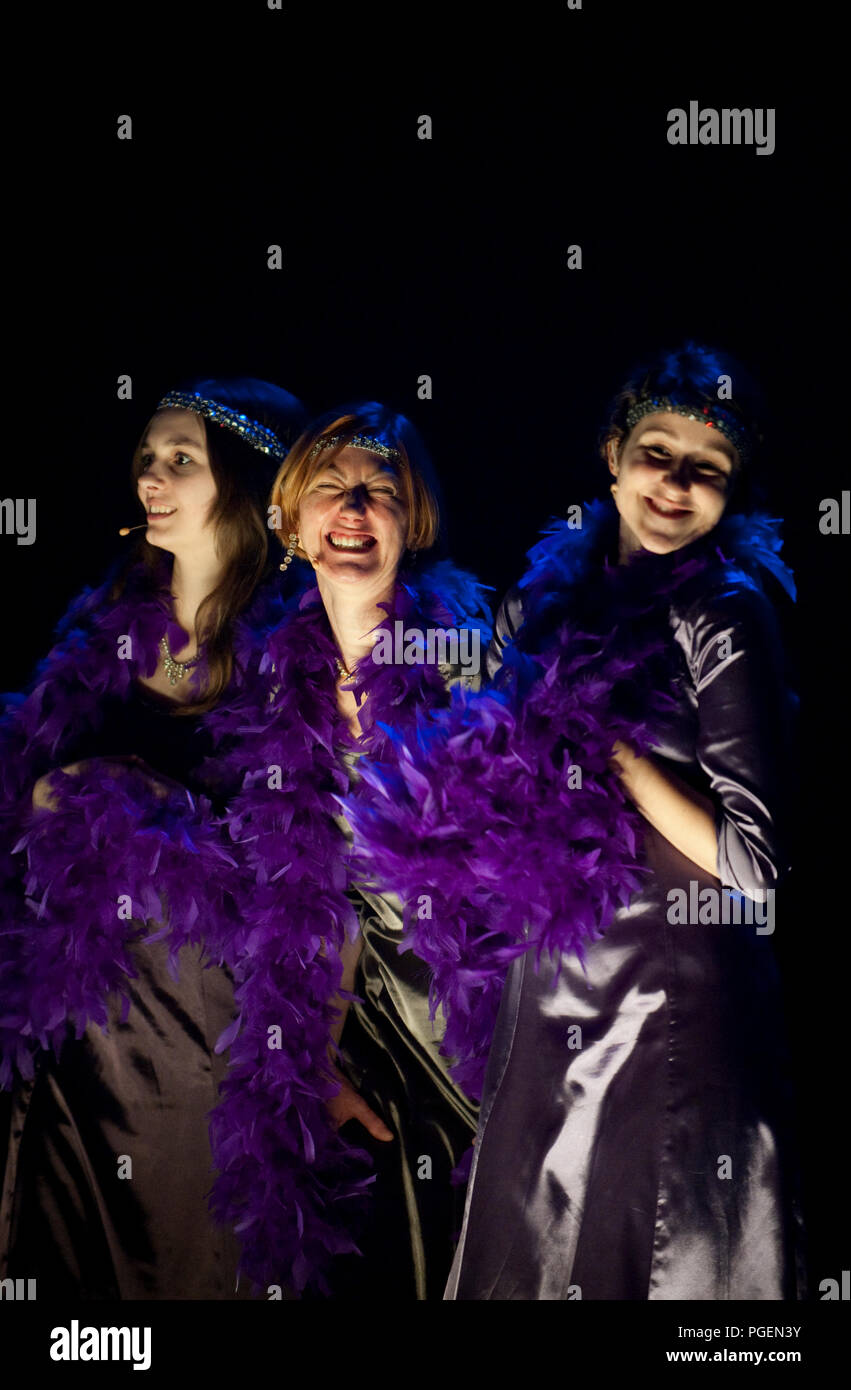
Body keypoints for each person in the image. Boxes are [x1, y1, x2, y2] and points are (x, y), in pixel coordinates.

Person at [345, 344, 804, 1300]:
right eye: (656, 451)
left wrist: (624, 757)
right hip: (550, 982)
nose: (674, 483)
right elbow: (479, 736)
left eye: (705, 469)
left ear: (734, 492)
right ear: (610, 453)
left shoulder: (725, 611)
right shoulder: (543, 597)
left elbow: (756, 865)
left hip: (667, 999)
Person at [0, 378, 306, 1299]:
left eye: (181, 460)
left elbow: (301, 853)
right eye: (145, 458)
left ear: (243, 487)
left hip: (200, 1020)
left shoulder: (290, 645)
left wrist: (140, 793)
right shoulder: (103, 620)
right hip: (72, 1003)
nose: (151, 478)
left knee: (181, 1246)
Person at [213, 402, 490, 1299]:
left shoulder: (471, 656)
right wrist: (319, 1058)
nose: (356, 508)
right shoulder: (262, 681)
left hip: (477, 1015)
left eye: (381, 490)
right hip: (355, 1025)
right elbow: (305, 886)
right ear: (291, 523)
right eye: (330, 488)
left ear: (414, 521)